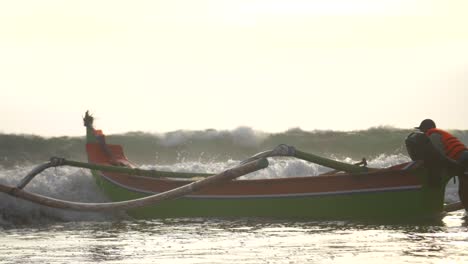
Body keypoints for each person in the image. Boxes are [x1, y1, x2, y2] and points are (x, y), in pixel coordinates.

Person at [415, 119, 468, 209]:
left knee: (464, 189)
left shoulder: (433, 135)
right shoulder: (439, 133)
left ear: (426, 128)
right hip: (463, 158)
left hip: (463, 159)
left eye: (422, 130)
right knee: (464, 188)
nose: (421, 132)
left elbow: (439, 154)